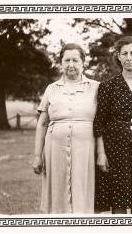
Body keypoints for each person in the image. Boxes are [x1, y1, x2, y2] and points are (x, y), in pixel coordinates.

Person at [32, 43, 100, 213]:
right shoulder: (51, 89)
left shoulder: (96, 87)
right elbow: (42, 123)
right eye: (66, 60)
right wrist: (37, 156)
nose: (71, 64)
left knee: (83, 190)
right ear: (61, 63)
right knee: (57, 192)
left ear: (83, 63)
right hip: (55, 148)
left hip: (86, 147)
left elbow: (103, 121)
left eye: (75, 60)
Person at [93, 36, 132, 214]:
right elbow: (99, 122)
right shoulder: (107, 86)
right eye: (125, 53)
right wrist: (100, 153)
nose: (129, 57)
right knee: (119, 200)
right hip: (116, 148)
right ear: (118, 57)